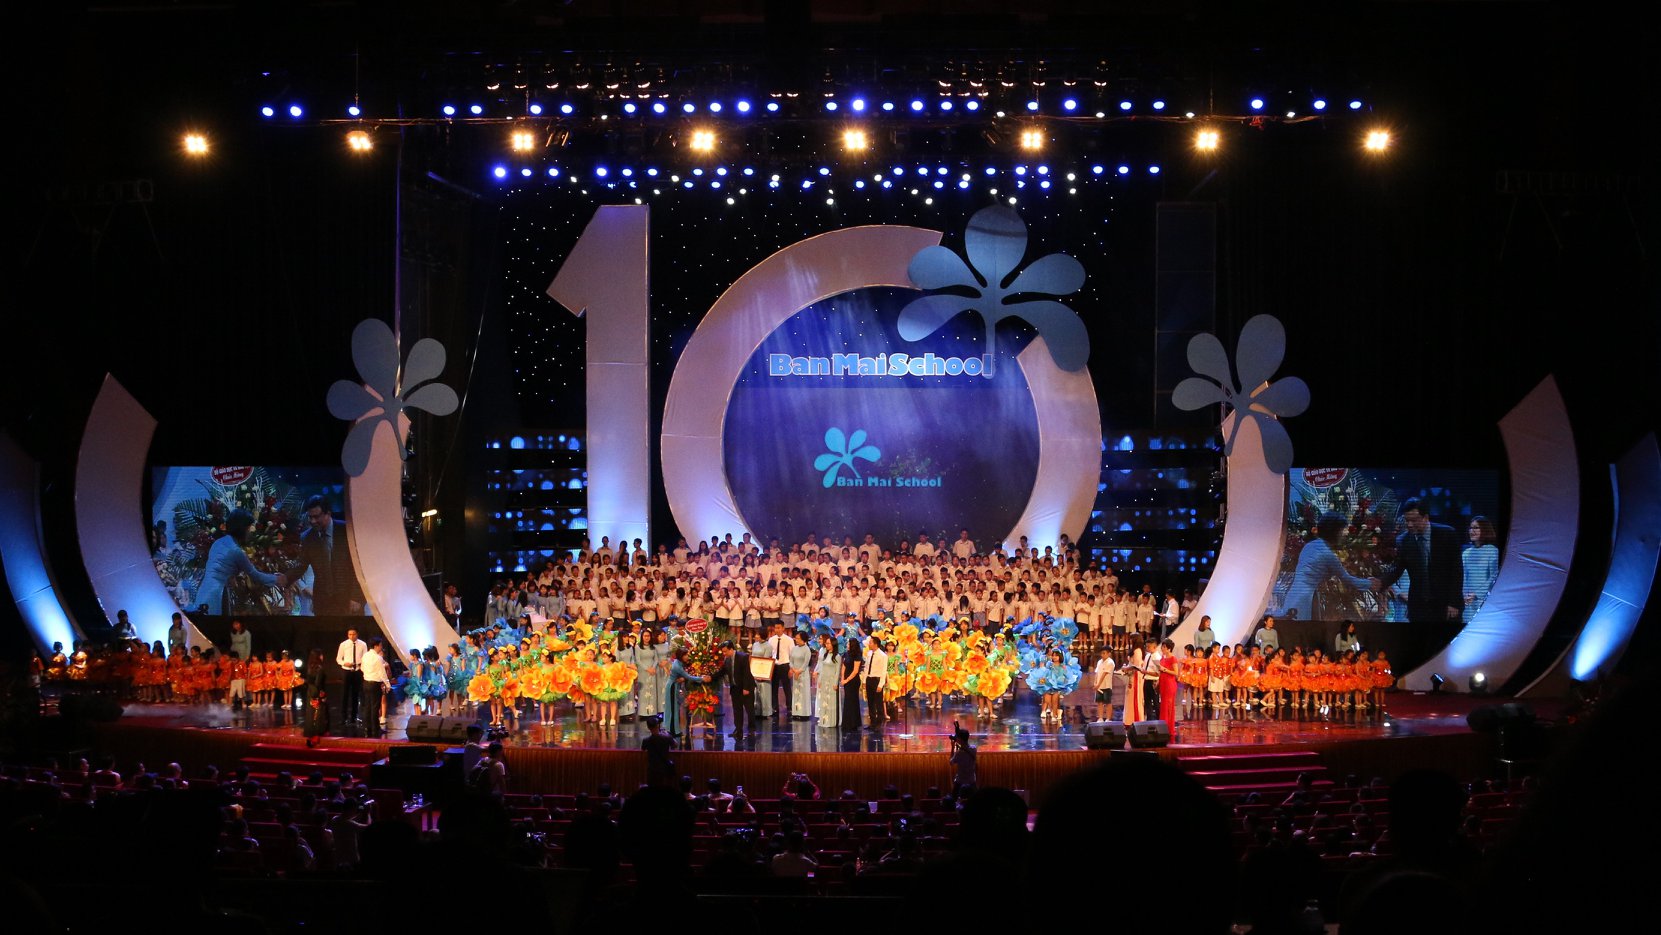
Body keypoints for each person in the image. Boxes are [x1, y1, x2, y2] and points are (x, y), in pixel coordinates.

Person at [1279, 512, 1380, 621]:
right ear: (1335, 532)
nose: (1345, 534)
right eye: (1343, 530)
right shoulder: (1328, 555)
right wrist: (1370, 583)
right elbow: (1347, 579)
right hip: (1306, 599)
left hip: (1293, 593)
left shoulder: (1309, 546)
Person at [1379, 499, 1465, 622]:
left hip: (1446, 605)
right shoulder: (1403, 541)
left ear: (1426, 518)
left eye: (1414, 520)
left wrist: (1454, 603)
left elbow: (1457, 571)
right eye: (1407, 520)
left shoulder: (1447, 534)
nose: (1409, 525)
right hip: (1418, 608)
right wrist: (1380, 582)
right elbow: (1397, 570)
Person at [194, 509, 287, 615]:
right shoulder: (236, 551)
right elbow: (255, 575)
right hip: (218, 595)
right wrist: (276, 579)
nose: (250, 533)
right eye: (249, 529)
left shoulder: (217, 543)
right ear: (242, 529)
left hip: (203, 590)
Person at [286, 495, 364, 616]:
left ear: (328, 513)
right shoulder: (307, 538)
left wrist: (356, 596)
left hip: (349, 600)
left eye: (316, 517)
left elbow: (360, 565)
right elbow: (301, 566)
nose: (312, 521)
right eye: (310, 517)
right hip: (323, 604)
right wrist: (283, 579)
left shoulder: (347, 531)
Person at [1462, 516, 1500, 621]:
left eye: (1476, 528)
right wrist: (1464, 595)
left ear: (1484, 530)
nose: (1472, 531)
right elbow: (1463, 577)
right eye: (1470, 528)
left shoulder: (1492, 551)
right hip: (1468, 603)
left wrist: (1477, 594)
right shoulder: (1466, 553)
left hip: (1485, 601)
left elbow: (1494, 576)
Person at [720, 641, 756, 739]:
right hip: (735, 688)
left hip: (746, 687)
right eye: (723, 652)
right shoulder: (727, 660)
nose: (724, 653)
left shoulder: (743, 657)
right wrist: (710, 677)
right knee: (737, 710)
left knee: (749, 710)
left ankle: (752, 730)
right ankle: (738, 730)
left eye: (725, 651)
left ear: (731, 649)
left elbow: (746, 673)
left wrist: (746, 688)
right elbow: (722, 672)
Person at [335, 628, 368, 723]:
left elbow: (365, 658)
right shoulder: (343, 644)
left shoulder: (363, 644)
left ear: (357, 634)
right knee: (344, 694)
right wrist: (344, 663)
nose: (351, 636)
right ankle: (343, 717)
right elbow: (338, 659)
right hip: (346, 671)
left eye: (353, 634)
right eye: (349, 634)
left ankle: (354, 716)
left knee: (356, 694)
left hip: (357, 670)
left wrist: (360, 664)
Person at [302, 648, 331, 747]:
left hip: (310, 693)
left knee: (311, 713)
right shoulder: (319, 669)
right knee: (319, 713)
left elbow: (307, 681)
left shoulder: (310, 667)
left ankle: (310, 732)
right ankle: (318, 732)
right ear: (318, 657)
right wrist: (323, 694)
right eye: (321, 655)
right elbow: (318, 683)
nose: (323, 657)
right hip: (318, 693)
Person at [361, 637, 390, 731]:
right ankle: (375, 728)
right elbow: (382, 673)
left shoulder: (365, 656)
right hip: (375, 684)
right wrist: (388, 685)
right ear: (376, 646)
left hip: (366, 683)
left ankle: (367, 727)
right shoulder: (378, 658)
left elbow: (362, 668)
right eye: (380, 645)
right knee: (375, 706)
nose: (381, 647)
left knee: (367, 706)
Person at [642, 715, 676, 789]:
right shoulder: (667, 737)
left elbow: (643, 750)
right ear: (658, 725)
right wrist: (668, 735)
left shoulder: (646, 740)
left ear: (648, 727)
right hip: (665, 769)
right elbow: (675, 745)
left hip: (652, 770)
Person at [815, 635, 841, 729]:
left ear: (833, 644)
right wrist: (820, 680)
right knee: (824, 701)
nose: (826, 645)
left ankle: (831, 721)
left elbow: (837, 671)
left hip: (831, 681)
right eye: (826, 643)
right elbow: (822, 668)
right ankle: (824, 720)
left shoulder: (837, 656)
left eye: (828, 643)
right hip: (824, 680)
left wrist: (835, 683)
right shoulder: (825, 655)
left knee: (831, 701)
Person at [839, 636, 864, 733]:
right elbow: (844, 666)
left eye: (848, 643)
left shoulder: (857, 655)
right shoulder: (846, 654)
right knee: (847, 700)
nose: (847, 645)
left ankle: (853, 723)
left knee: (852, 700)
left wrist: (847, 680)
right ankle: (847, 722)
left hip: (853, 681)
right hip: (846, 679)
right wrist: (842, 678)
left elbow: (855, 671)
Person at [864, 636, 888, 729]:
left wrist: (881, 684)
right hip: (869, 679)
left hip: (877, 680)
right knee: (870, 702)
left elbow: (883, 671)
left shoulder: (883, 656)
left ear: (876, 644)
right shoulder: (869, 653)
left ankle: (879, 723)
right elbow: (866, 668)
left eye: (870, 642)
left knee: (878, 702)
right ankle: (872, 722)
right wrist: (864, 680)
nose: (869, 644)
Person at [788, 630, 813, 720]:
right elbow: (791, 661)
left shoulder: (807, 649)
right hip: (795, 673)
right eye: (796, 638)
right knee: (796, 692)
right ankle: (796, 712)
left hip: (803, 674)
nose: (796, 640)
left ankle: (804, 714)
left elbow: (806, 663)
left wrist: (798, 671)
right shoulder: (794, 648)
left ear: (803, 639)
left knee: (803, 693)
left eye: (798, 638)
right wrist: (793, 669)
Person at [949, 726, 977, 798]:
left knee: (954, 799)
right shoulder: (974, 749)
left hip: (960, 780)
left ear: (960, 739)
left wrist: (952, 747)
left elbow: (951, 762)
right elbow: (966, 747)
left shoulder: (959, 753)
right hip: (971, 780)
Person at [1157, 639, 1179, 723]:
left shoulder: (1173, 658)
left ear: (1169, 648)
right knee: (1163, 704)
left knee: (1168, 705)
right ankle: (1163, 723)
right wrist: (1157, 681)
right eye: (1162, 646)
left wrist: (1165, 670)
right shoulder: (1162, 658)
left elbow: (1176, 672)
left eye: (1164, 647)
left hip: (1169, 684)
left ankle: (1168, 724)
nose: (1162, 648)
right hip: (1163, 683)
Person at [1093, 647, 1115, 721]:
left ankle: (1108, 718)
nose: (1102, 655)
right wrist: (1095, 682)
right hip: (1099, 686)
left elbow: (1104, 674)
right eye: (1101, 653)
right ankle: (1100, 718)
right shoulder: (1099, 662)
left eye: (1104, 653)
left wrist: (1098, 684)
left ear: (1109, 654)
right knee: (1099, 702)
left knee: (1108, 702)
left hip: (1106, 686)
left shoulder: (1110, 662)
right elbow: (1097, 673)